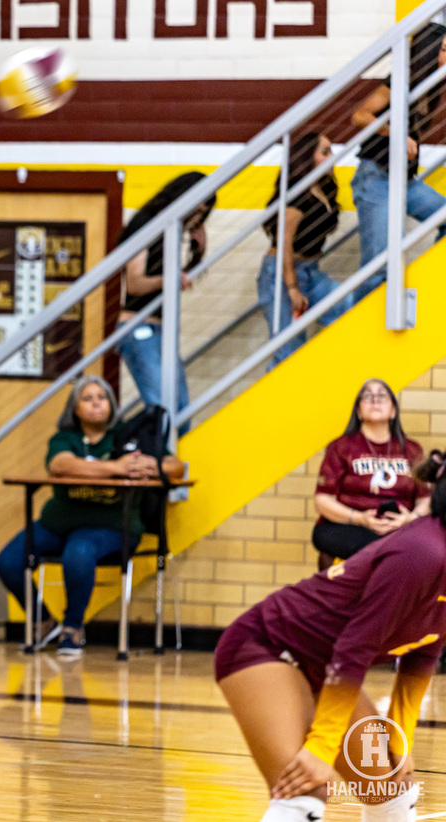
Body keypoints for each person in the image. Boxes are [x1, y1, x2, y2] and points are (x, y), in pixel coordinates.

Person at [216, 450, 446, 822]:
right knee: (304, 792)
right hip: (268, 645)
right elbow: (355, 647)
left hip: (326, 664)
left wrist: (399, 739)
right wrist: (321, 748)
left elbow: (423, 654)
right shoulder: (423, 551)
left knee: (390, 787)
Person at [0, 375, 184, 658]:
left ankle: (73, 628)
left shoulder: (130, 436)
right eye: (88, 398)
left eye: (102, 398)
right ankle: (44, 620)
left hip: (112, 526)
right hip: (58, 523)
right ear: (75, 409)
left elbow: (175, 466)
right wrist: (116, 468)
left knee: (78, 551)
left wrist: (152, 467)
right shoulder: (64, 439)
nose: (96, 403)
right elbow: (60, 465)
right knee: (9, 561)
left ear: (112, 404)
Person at [350, 21, 446, 304]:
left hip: (403, 181)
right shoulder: (401, 80)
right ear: (428, 51)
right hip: (376, 178)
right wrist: (397, 134)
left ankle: (431, 278)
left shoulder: (431, 87)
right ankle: (357, 331)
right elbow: (360, 116)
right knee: (377, 267)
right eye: (443, 49)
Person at [116, 171, 216, 436]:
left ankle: (151, 460)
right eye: (196, 208)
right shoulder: (148, 224)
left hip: (162, 331)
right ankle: (132, 453)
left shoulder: (173, 231)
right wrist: (171, 278)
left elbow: (173, 280)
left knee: (180, 414)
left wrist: (197, 253)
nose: (197, 217)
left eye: (203, 213)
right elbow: (135, 283)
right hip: (138, 327)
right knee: (163, 412)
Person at [312, 378, 429, 572]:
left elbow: (426, 499)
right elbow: (322, 501)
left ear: (393, 411)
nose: (375, 400)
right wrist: (360, 518)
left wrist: (410, 518)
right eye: (368, 396)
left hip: (399, 527)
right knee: (383, 547)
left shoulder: (412, 450)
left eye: (382, 396)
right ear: (358, 411)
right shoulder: (341, 447)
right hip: (350, 528)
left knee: (419, 543)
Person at [258, 132, 349, 369]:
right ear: (307, 158)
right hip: (281, 276)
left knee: (350, 306)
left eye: (331, 150)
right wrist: (291, 287)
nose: (332, 157)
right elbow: (284, 241)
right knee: (288, 353)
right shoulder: (297, 195)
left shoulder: (323, 188)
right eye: (325, 151)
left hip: (310, 271)